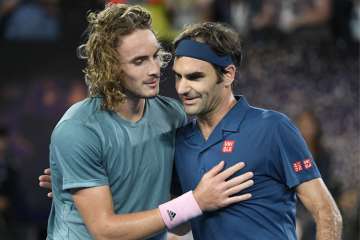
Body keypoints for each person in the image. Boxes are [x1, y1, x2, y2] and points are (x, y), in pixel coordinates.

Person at [41, 3, 254, 240]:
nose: (155, 69)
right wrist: (195, 202)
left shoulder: (174, 116)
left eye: (156, 56)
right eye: (139, 61)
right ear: (109, 67)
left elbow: (179, 222)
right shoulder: (77, 130)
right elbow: (105, 233)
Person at [171, 22, 342, 240]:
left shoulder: (273, 128)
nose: (182, 88)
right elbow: (180, 228)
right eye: (178, 76)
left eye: (195, 77)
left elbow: (327, 212)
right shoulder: (181, 141)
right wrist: (196, 201)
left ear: (228, 75)